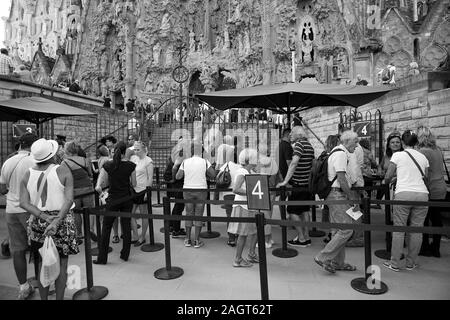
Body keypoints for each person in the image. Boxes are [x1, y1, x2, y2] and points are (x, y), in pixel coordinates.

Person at [19, 138, 80, 300]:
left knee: (41, 265)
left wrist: (44, 216)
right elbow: (68, 200)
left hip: (39, 221)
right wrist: (56, 220)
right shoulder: (62, 171)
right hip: (62, 220)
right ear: (52, 155)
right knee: (62, 264)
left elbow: (23, 203)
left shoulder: (27, 174)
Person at [314, 130, 359, 274]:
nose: (357, 145)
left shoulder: (335, 152)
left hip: (333, 195)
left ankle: (338, 262)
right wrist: (351, 196)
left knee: (338, 230)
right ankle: (323, 257)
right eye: (355, 141)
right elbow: (341, 178)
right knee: (346, 229)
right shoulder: (340, 154)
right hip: (337, 195)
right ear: (346, 142)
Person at [383, 130, 429, 271]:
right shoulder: (423, 157)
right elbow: (425, 178)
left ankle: (395, 263)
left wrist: (390, 180)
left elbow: (388, 176)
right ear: (416, 143)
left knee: (399, 230)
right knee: (416, 230)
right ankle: (411, 262)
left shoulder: (397, 155)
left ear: (402, 142)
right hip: (422, 194)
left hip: (403, 193)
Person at [0, 133, 38, 299]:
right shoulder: (34, 161)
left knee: (17, 250)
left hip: (11, 210)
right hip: (30, 209)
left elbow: (2, 189)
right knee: (43, 247)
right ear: (33, 145)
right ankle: (46, 283)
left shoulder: (8, 162)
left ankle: (23, 287)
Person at [94, 141, 137, 264]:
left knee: (106, 227)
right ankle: (125, 255)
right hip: (126, 199)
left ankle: (102, 258)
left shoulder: (108, 164)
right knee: (126, 225)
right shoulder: (131, 165)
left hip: (113, 199)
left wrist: (98, 186)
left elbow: (100, 181)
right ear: (125, 152)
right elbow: (134, 184)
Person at [277, 126, 315, 247]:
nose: (290, 135)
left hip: (297, 184)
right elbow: (312, 164)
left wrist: (285, 181)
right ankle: (307, 237)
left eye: (292, 133)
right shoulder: (309, 145)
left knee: (292, 211)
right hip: (306, 185)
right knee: (305, 211)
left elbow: (293, 163)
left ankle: (302, 239)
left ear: (299, 134)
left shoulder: (299, 145)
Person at [176, 140, 216, 248]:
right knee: (199, 215)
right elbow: (213, 175)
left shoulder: (185, 161)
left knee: (188, 214)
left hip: (187, 190)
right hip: (201, 190)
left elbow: (178, 176)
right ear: (202, 151)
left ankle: (188, 239)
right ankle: (197, 240)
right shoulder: (205, 161)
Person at [417, 126, 446, 258]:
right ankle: (436, 248)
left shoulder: (423, 151)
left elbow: (423, 173)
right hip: (441, 187)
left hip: (429, 188)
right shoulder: (438, 150)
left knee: (424, 219)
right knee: (437, 219)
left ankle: (424, 247)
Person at [228, 148, 259, 267]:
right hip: (243, 206)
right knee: (243, 234)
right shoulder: (242, 172)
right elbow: (235, 189)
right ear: (248, 160)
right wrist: (250, 193)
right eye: (254, 157)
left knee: (254, 231)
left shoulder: (248, 171)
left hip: (249, 206)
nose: (257, 159)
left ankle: (251, 254)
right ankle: (238, 259)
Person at [61, 141, 95, 243]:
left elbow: (65, 178)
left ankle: (79, 234)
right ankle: (90, 231)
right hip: (88, 188)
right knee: (90, 211)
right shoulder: (85, 160)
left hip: (74, 190)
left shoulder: (65, 162)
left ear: (67, 150)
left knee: (76, 212)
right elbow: (90, 174)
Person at [256, 143, 282, 248]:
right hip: (272, 191)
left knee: (264, 216)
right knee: (268, 215)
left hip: (263, 191)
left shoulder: (259, 162)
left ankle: (266, 241)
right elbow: (279, 176)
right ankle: (270, 238)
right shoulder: (273, 161)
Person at [130, 141, 154, 246]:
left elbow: (150, 177)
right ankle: (135, 235)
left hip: (143, 190)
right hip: (133, 190)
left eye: (138, 149)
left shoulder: (148, 161)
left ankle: (143, 237)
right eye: (134, 149)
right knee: (130, 214)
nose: (135, 151)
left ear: (144, 149)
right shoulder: (133, 159)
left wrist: (147, 193)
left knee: (144, 215)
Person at [218, 149, 241, 247]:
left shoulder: (225, 166)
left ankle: (231, 239)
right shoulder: (240, 167)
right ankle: (239, 237)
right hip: (238, 194)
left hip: (227, 195)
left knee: (229, 217)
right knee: (238, 216)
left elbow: (218, 179)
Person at [321, 134, 341, 243]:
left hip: (326, 189)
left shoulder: (324, 155)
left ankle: (331, 235)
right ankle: (332, 243)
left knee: (331, 215)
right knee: (339, 223)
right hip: (334, 190)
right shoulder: (337, 155)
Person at [376, 131, 404, 203]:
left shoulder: (404, 155)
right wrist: (379, 170)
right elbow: (380, 165)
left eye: (397, 142)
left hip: (397, 185)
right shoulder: (386, 156)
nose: (395, 144)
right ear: (388, 145)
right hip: (385, 183)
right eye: (392, 142)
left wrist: (390, 175)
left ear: (401, 144)